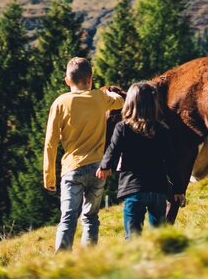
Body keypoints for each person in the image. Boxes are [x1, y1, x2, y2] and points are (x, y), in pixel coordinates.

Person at [44, 57, 124, 252]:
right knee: (90, 217)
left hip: (72, 169)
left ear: (67, 81)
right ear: (90, 79)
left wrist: (49, 176)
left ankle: (62, 260)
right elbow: (121, 101)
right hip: (98, 169)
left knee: (68, 217)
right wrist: (109, 92)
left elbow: (50, 142)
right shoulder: (99, 97)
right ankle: (88, 259)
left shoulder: (60, 103)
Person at [96, 81, 186, 240]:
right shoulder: (162, 130)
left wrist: (105, 166)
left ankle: (138, 261)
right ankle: (160, 260)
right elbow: (172, 162)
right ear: (154, 104)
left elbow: (113, 149)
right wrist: (179, 189)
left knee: (133, 237)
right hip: (158, 190)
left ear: (129, 104)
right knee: (159, 237)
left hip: (133, 190)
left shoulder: (122, 128)